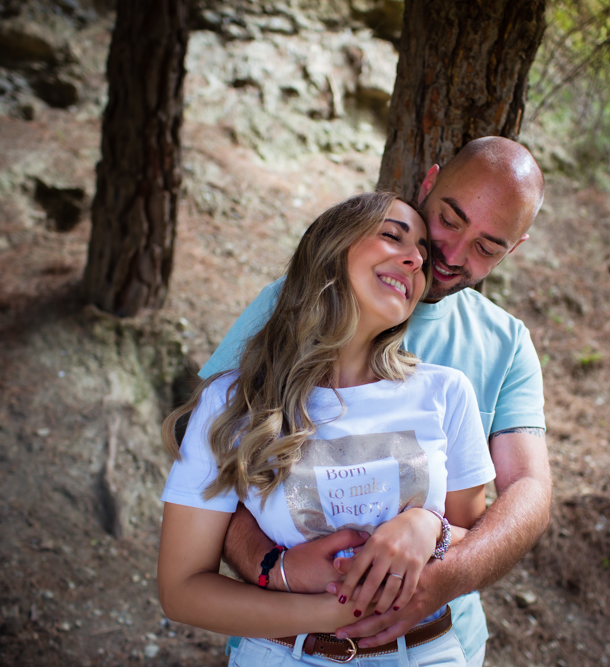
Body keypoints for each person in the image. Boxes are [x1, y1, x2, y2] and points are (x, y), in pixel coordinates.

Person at [202, 136, 552, 666]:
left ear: (515, 248)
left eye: (487, 246)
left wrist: (442, 579)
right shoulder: (292, 303)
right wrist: (272, 566)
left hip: (432, 641)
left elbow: (528, 488)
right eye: (450, 220)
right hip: (284, 642)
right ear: (428, 184)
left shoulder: (504, 344)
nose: (453, 255)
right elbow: (208, 454)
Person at [158, 191, 498, 665]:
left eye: (422, 252)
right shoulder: (234, 402)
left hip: (423, 655)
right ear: (330, 250)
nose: (416, 258)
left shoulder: (446, 392)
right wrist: (326, 611)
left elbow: (474, 536)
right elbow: (182, 590)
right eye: (392, 236)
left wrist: (427, 526)